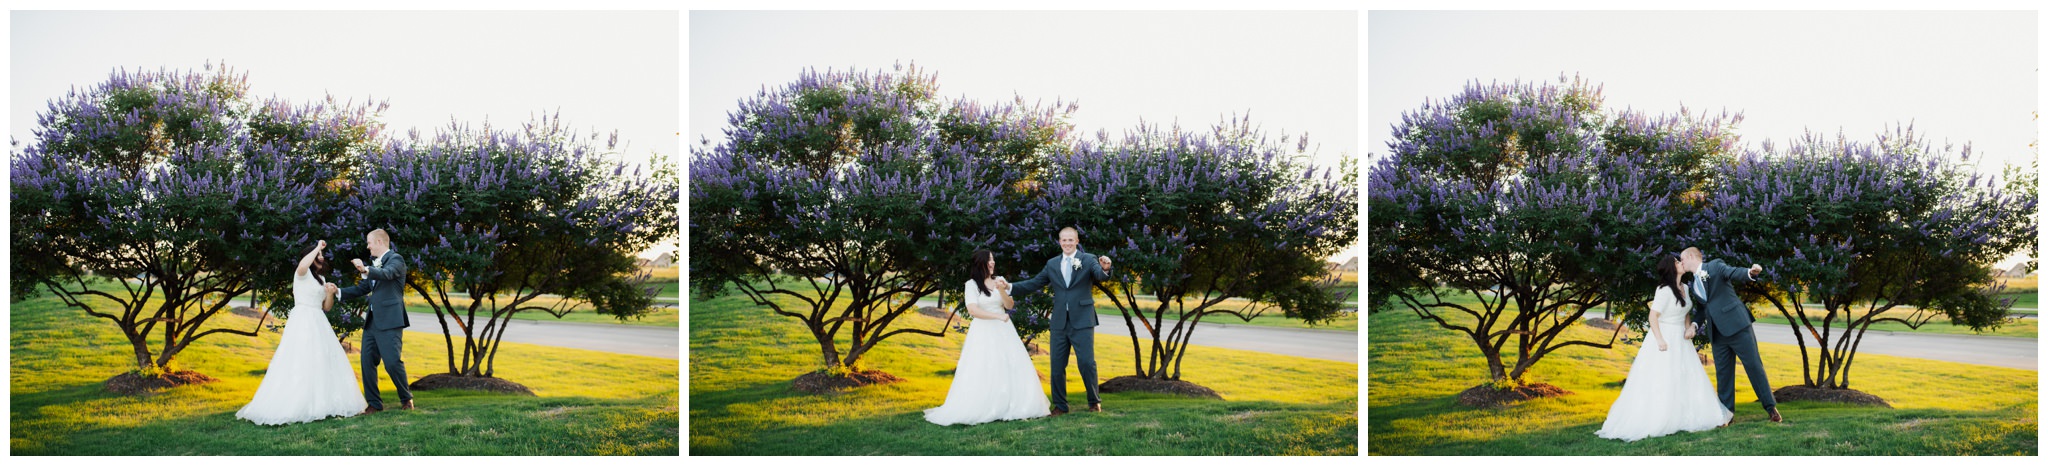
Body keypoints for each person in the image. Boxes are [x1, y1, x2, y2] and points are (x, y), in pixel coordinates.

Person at [1595, 255, 1733, 441]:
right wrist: (1660, 339)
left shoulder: (1685, 287)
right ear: (1671, 268)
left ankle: (1684, 415)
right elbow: (1653, 317)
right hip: (1665, 337)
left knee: (1685, 376)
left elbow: (1685, 311)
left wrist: (1688, 328)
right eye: (1677, 262)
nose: (1681, 263)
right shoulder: (1663, 290)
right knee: (1664, 377)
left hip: (1682, 340)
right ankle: (1661, 416)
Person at [236, 240, 369, 425]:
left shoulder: (321, 280)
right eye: (318, 257)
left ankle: (322, 404)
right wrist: (317, 248)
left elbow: (326, 307)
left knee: (322, 359)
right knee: (301, 358)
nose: (321, 258)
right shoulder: (302, 274)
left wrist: (329, 293)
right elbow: (302, 264)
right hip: (303, 319)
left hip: (319, 321)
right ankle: (296, 403)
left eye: (322, 256)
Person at [923, 250, 1052, 425]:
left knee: (1009, 365)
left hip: (1004, 331)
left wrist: (1002, 289)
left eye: (993, 260)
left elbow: (1009, 305)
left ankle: (1009, 405)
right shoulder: (971, 284)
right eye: (989, 260)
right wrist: (998, 317)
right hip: (984, 330)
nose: (992, 263)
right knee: (984, 366)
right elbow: (973, 310)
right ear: (980, 263)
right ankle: (985, 406)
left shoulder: (999, 280)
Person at [1008, 227, 1112, 415]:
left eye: (1070, 240)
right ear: (1059, 242)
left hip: (1082, 320)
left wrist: (1105, 268)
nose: (1067, 243)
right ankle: (1061, 406)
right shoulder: (1052, 264)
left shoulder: (1087, 259)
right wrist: (1009, 288)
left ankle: (1094, 401)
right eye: (1064, 240)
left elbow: (1099, 274)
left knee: (1087, 363)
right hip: (1059, 322)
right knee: (1056, 365)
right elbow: (1034, 283)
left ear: (1077, 241)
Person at [1681, 247, 1782, 423]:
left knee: (1754, 366)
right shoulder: (1694, 284)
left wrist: (1750, 273)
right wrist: (1695, 325)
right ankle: (1727, 414)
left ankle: (1771, 408)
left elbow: (1733, 272)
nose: (1681, 263)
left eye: (1682, 259)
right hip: (1717, 334)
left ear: (1690, 256)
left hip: (1737, 325)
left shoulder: (1714, 266)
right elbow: (1703, 309)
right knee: (1723, 374)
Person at [335, 228, 414, 413]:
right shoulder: (374, 266)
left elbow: (386, 274)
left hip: (390, 320)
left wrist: (366, 269)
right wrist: (337, 292)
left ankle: (406, 398)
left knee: (392, 362)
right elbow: (362, 288)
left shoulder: (397, 260)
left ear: (379, 242)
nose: (368, 246)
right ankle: (374, 404)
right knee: (367, 362)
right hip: (372, 322)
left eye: (369, 242)